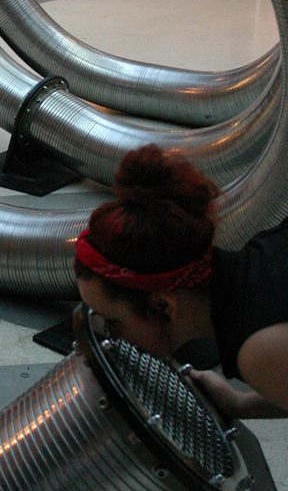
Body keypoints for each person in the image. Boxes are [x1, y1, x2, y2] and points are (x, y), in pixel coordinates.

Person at [73, 144, 288, 418]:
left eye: (112, 323)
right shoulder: (262, 263)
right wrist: (239, 404)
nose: (111, 338)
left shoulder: (259, 349)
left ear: (164, 304)